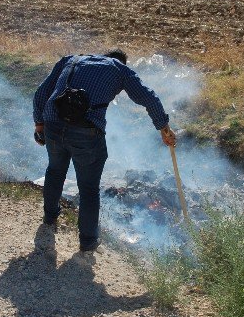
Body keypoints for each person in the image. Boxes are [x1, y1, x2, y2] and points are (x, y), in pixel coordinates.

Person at [33, 50, 176, 252]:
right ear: (122, 62)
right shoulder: (120, 70)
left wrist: (39, 124)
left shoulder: (71, 60)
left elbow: (41, 92)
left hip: (53, 125)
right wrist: (164, 128)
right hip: (87, 133)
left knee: (55, 171)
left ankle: (49, 218)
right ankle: (88, 241)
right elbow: (148, 98)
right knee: (89, 188)